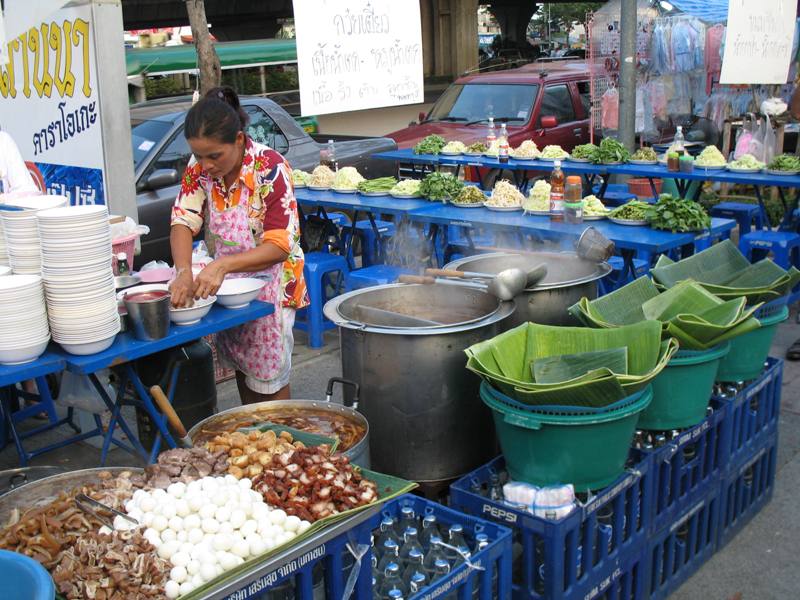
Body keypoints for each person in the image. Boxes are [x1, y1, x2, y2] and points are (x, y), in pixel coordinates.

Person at [169, 87, 308, 402]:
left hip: (274, 285)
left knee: (270, 384)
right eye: (199, 156)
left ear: (240, 140)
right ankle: (253, 436)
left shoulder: (270, 168)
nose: (205, 165)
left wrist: (220, 265)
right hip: (231, 289)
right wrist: (182, 271)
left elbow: (280, 245)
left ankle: (280, 444)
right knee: (245, 372)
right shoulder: (199, 168)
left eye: (214, 156)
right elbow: (182, 219)